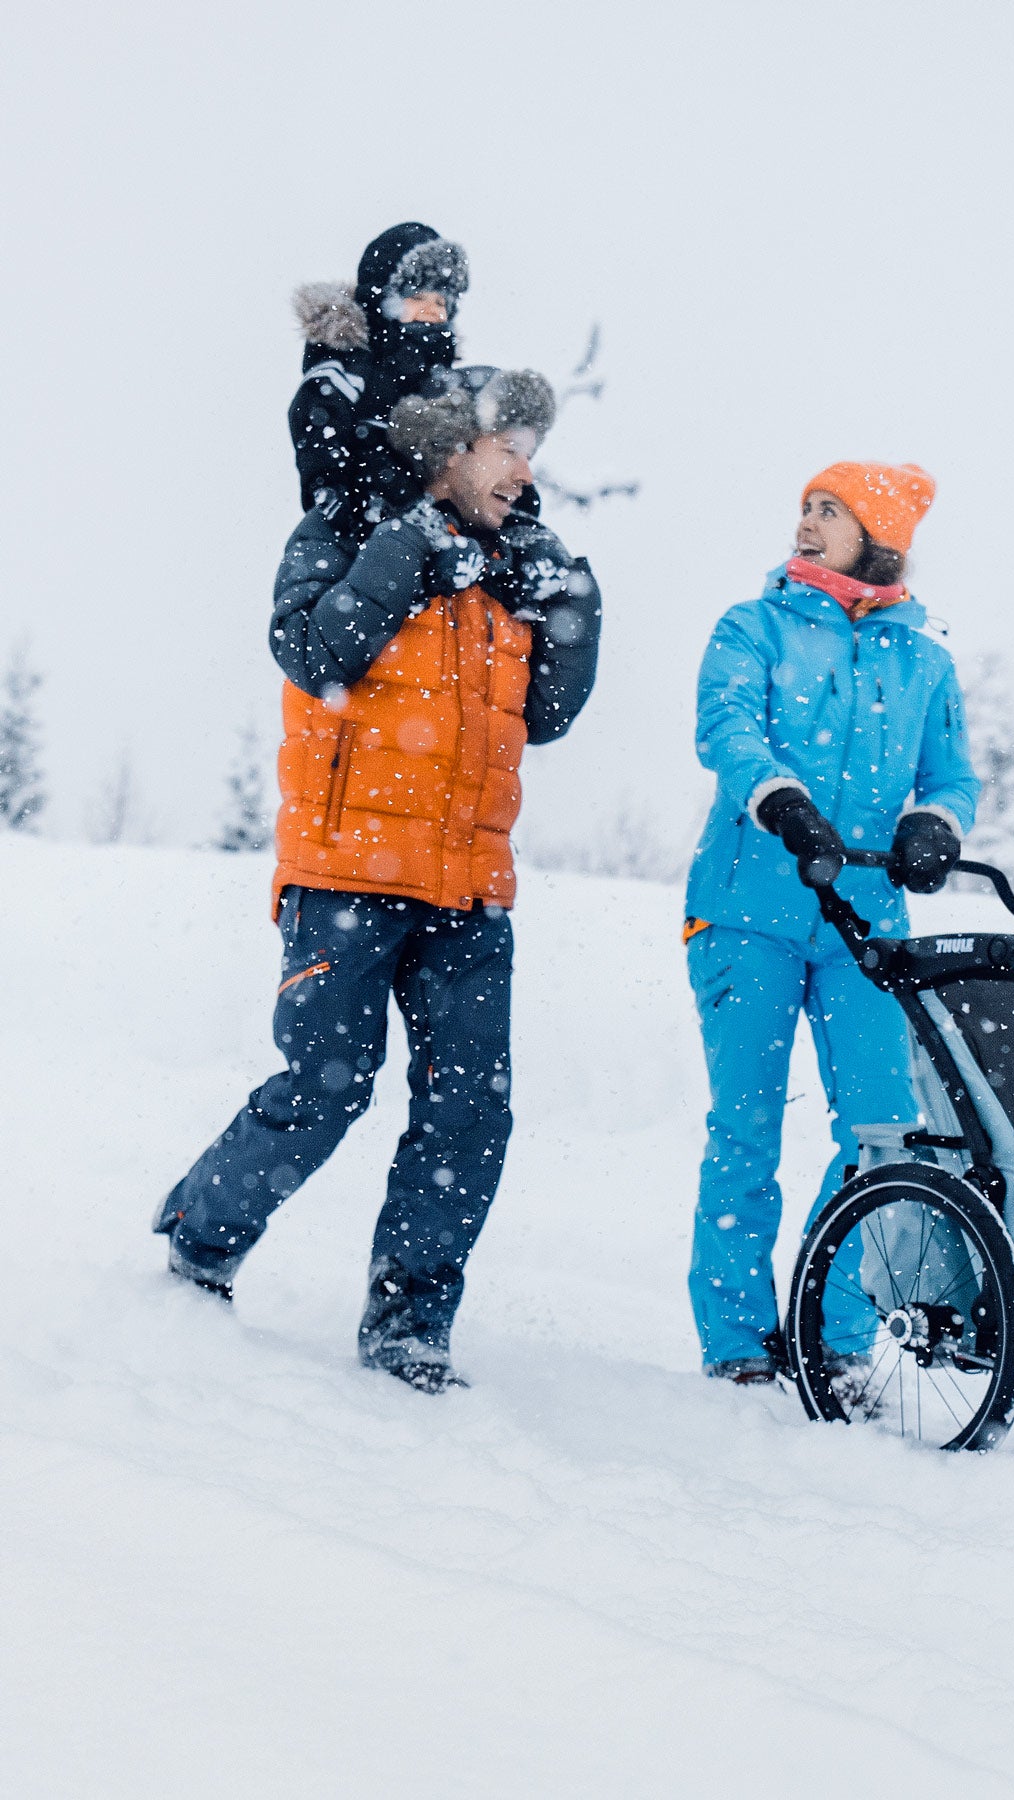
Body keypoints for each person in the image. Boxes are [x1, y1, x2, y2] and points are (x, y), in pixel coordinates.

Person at [153, 368, 603, 1392]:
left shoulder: (510, 563)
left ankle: (410, 1323)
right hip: (347, 873)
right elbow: (310, 648)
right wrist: (408, 557)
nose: (528, 470)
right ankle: (201, 1240)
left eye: (535, 450)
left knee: (470, 1113)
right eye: (511, 447)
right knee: (324, 1087)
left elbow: (547, 715)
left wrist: (576, 603)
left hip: (470, 888)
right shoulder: (350, 526)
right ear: (454, 448)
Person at [683, 462, 981, 1382]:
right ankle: (737, 1343)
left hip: (863, 923)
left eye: (830, 511)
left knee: (879, 1131)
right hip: (746, 912)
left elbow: (955, 776)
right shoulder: (755, 626)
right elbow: (726, 727)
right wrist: (781, 801)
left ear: (876, 533)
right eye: (806, 507)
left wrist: (936, 824)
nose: (806, 523)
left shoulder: (925, 661)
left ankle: (830, 1324)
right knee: (747, 1128)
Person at [289, 222, 470, 543]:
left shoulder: (442, 379)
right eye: (417, 297)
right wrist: (329, 485)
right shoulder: (352, 360)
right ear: (383, 299)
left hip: (436, 517)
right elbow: (318, 415)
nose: (431, 310)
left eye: (441, 302)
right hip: (367, 511)